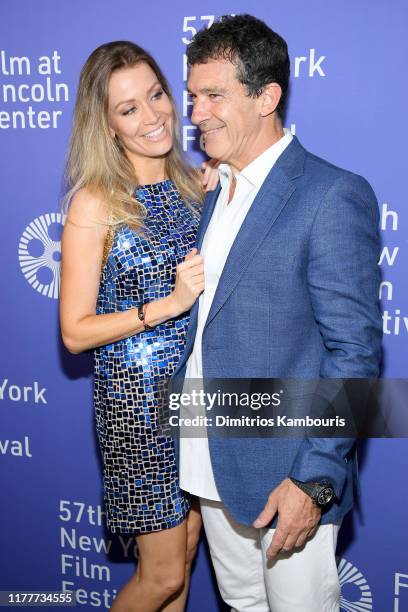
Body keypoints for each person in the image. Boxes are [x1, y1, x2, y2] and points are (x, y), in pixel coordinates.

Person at [175, 14, 382, 612]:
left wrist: (315, 480)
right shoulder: (216, 189)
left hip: (287, 470)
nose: (196, 113)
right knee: (241, 605)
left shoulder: (331, 194)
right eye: (193, 95)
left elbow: (355, 354)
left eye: (215, 95)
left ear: (267, 97)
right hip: (212, 458)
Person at [59, 41, 218, 612]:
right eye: (129, 109)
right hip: (137, 409)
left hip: (194, 398)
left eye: (156, 96)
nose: (153, 116)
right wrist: (166, 304)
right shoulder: (95, 201)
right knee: (161, 577)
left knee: (187, 553)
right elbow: (74, 332)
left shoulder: (188, 186)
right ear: (105, 125)